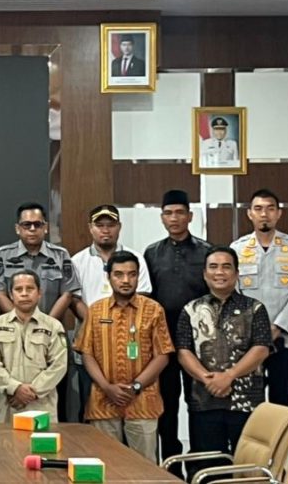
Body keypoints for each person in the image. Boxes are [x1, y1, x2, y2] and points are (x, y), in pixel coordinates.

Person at [176, 247, 271, 473]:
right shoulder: (190, 310)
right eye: (213, 267)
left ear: (237, 274)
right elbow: (183, 351)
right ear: (205, 274)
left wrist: (229, 376)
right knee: (206, 465)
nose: (219, 272)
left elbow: (261, 348)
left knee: (247, 465)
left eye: (226, 267)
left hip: (246, 401)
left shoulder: (255, 308)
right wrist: (207, 379)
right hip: (204, 400)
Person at [73, 251, 173, 462]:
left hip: (143, 401)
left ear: (138, 276)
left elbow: (163, 355)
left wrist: (135, 386)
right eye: (119, 274)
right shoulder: (96, 311)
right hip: (103, 400)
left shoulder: (154, 310)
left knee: (144, 466)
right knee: (106, 465)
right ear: (108, 277)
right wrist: (107, 387)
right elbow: (87, 353)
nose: (126, 280)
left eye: (131, 274)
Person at [0, 202, 82, 422]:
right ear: (17, 228)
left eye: (37, 225)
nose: (32, 229)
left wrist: (42, 321)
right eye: (26, 225)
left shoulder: (60, 255)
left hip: (48, 334)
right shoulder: (4, 254)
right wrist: (19, 318)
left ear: (45, 227)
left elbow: (68, 293)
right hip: (10, 333)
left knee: (45, 433)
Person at [142, 189, 211, 473]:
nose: (174, 218)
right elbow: (148, 299)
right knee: (166, 406)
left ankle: (199, 468)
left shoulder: (207, 252)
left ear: (190, 216)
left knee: (199, 406)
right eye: (168, 213)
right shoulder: (151, 253)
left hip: (199, 344)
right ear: (162, 218)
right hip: (164, 344)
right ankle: (170, 469)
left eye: (180, 212)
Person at [69, 205, 152, 421]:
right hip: (91, 345)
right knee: (91, 408)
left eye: (111, 225)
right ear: (90, 228)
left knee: (133, 409)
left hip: (131, 344)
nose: (105, 230)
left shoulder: (135, 258)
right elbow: (74, 300)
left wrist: (116, 324)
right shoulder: (77, 261)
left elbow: (142, 295)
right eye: (100, 225)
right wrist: (99, 324)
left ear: (119, 227)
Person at [230, 189, 288, 407]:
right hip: (248, 339)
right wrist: (256, 330)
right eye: (258, 209)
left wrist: (277, 327)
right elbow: (233, 293)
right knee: (248, 401)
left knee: (282, 401)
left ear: (278, 213)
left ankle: (281, 434)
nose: (264, 214)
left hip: (285, 339)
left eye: (270, 209)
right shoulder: (237, 249)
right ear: (250, 214)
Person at [0, 271, 68, 423]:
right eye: (18, 289)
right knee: (5, 439)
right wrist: (15, 388)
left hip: (41, 405)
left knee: (41, 439)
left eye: (30, 289)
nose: (24, 294)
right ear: (11, 294)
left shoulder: (53, 326)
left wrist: (32, 392)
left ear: (39, 293)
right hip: (8, 404)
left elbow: (59, 365)